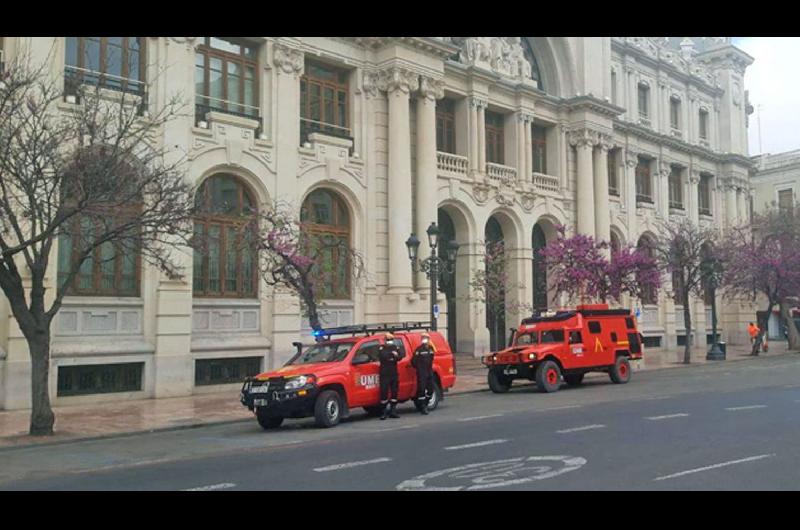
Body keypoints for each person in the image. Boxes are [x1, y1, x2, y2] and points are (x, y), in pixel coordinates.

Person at [378, 332, 402, 420]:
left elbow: (400, 356)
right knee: (384, 393)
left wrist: (394, 356)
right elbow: (383, 356)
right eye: (388, 340)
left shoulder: (395, 347)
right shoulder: (382, 348)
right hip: (384, 374)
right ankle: (383, 412)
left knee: (394, 392)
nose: (389, 341)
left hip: (393, 373)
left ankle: (393, 411)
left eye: (391, 340)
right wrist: (393, 355)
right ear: (385, 340)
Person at [411, 333, 436, 415]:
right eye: (423, 338)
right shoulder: (419, 350)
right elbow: (413, 361)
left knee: (431, 389)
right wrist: (419, 368)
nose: (424, 339)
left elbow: (432, 358)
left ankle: (425, 403)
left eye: (426, 338)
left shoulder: (431, 349)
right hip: (422, 372)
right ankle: (422, 407)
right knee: (421, 390)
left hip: (429, 372)